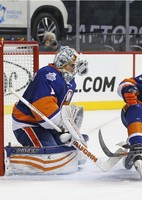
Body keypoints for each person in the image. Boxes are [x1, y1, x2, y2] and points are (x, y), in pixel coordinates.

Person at [8, 46, 88, 174]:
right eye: (72, 66)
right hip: (27, 122)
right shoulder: (48, 74)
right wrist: (63, 126)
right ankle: (10, 158)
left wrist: (67, 128)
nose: (74, 69)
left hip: (47, 124)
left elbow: (59, 110)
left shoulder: (70, 82)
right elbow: (45, 113)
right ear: (63, 64)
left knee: (63, 149)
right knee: (52, 152)